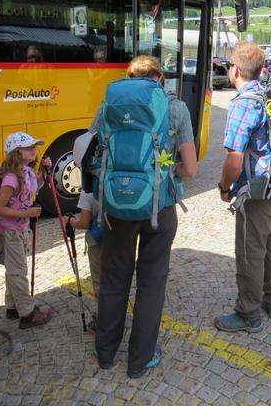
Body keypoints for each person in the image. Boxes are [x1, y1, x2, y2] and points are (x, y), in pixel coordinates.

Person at [94, 55, 197, 378]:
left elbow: (94, 148)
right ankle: (139, 360)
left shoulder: (109, 103)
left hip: (116, 206)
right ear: (160, 77)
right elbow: (191, 169)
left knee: (113, 279)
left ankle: (105, 354)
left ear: (129, 77)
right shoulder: (175, 107)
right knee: (151, 284)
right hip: (159, 207)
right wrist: (164, 172)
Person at [214, 41, 271, 333]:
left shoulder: (244, 104)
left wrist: (225, 188)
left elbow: (234, 161)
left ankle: (248, 313)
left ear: (234, 70)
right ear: (262, 70)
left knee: (250, 251)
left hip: (259, 191)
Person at [0, 132, 53, 329]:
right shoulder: (11, 178)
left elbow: (37, 186)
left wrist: (44, 172)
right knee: (18, 271)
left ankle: (12, 307)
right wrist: (28, 213)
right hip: (10, 230)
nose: (34, 149)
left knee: (14, 268)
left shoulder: (25, 172)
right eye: (28, 147)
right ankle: (27, 313)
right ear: (16, 153)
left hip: (18, 228)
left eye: (34, 146)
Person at [63, 189, 101, 332]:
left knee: (99, 281)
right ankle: (118, 314)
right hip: (119, 239)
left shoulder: (88, 191)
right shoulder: (116, 178)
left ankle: (104, 320)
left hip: (98, 241)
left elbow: (84, 223)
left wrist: (70, 221)